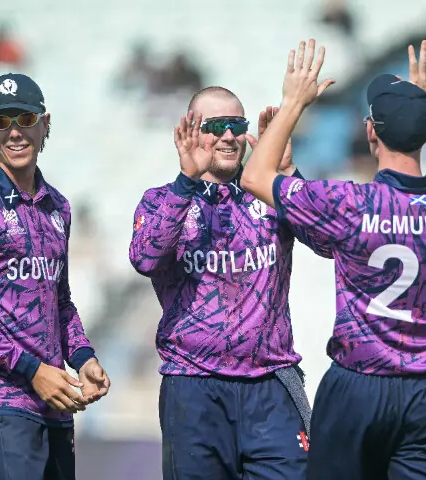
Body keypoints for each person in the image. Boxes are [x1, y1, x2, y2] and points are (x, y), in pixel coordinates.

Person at [241, 39, 426, 479]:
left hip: (358, 387)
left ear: (372, 131)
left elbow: (255, 175)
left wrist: (293, 103)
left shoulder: (350, 203)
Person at [128, 85, 312, 479]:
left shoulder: (270, 196)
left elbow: (330, 242)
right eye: (216, 125)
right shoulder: (161, 199)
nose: (229, 136)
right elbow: (145, 258)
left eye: (236, 125)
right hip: (194, 387)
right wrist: (185, 183)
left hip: (271, 386)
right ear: (191, 132)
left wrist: (287, 177)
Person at [0, 73, 111, 480]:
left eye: (24, 119)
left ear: (44, 122)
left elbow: (59, 300)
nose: (14, 132)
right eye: (1, 122)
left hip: (55, 401)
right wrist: (33, 369)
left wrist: (83, 357)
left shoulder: (58, 207)